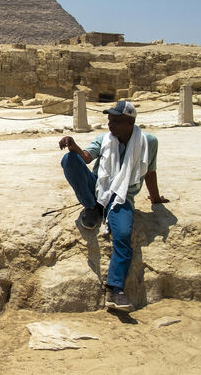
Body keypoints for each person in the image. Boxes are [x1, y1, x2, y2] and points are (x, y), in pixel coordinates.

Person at [58, 100, 168, 312]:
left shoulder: (148, 142)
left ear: (130, 123)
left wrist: (155, 199)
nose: (110, 125)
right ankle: (92, 207)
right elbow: (87, 157)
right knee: (69, 159)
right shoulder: (105, 139)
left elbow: (150, 172)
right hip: (98, 190)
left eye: (116, 121)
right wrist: (75, 146)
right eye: (109, 120)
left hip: (122, 196)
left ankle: (116, 290)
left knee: (123, 235)